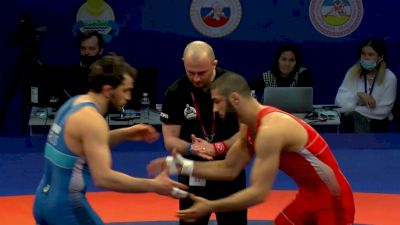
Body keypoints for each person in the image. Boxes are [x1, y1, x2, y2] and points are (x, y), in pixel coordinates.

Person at [149, 72, 355, 225]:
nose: (214, 108)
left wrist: (211, 206)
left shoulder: (270, 130)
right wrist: (179, 165)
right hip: (308, 196)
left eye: (217, 101)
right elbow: (229, 169)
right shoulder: (250, 127)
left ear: (235, 99)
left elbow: (258, 193)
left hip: (333, 200)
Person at [33, 55, 187, 225]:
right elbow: (103, 178)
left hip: (42, 202)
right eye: (125, 90)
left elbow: (85, 146)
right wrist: (154, 185)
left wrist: (127, 133)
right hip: (66, 208)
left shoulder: (73, 104)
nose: (128, 97)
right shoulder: (93, 121)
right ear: (107, 90)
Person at [160, 41, 247, 225]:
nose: (197, 78)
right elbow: (170, 140)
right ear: (183, 63)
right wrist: (193, 148)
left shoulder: (234, 86)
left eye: (202, 72)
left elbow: (246, 132)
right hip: (194, 172)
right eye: (191, 72)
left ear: (214, 64)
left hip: (229, 169)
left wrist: (216, 148)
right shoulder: (175, 93)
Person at [335, 38, 397, 133]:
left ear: (380, 58)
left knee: (353, 116)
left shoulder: (390, 77)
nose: (366, 57)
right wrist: (359, 95)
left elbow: (383, 111)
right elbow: (339, 104)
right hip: (354, 124)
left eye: (371, 54)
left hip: (379, 126)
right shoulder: (352, 72)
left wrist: (355, 110)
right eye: (363, 53)